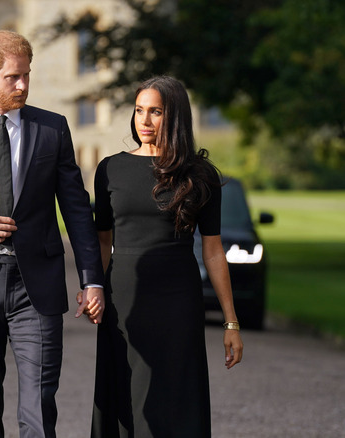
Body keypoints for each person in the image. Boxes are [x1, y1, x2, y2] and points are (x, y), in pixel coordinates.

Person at [0, 30, 105, 437]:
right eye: (12, 78)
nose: (22, 85)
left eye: (27, 76)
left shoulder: (51, 129)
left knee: (39, 406)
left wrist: (92, 280)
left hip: (35, 286)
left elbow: (75, 208)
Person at [90, 75, 244, 437]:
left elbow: (213, 250)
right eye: (139, 110)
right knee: (125, 397)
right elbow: (101, 241)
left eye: (155, 112)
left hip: (178, 299)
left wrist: (231, 322)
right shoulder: (110, 168)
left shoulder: (200, 174)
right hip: (123, 298)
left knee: (175, 396)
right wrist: (93, 287)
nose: (144, 120)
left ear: (174, 116)